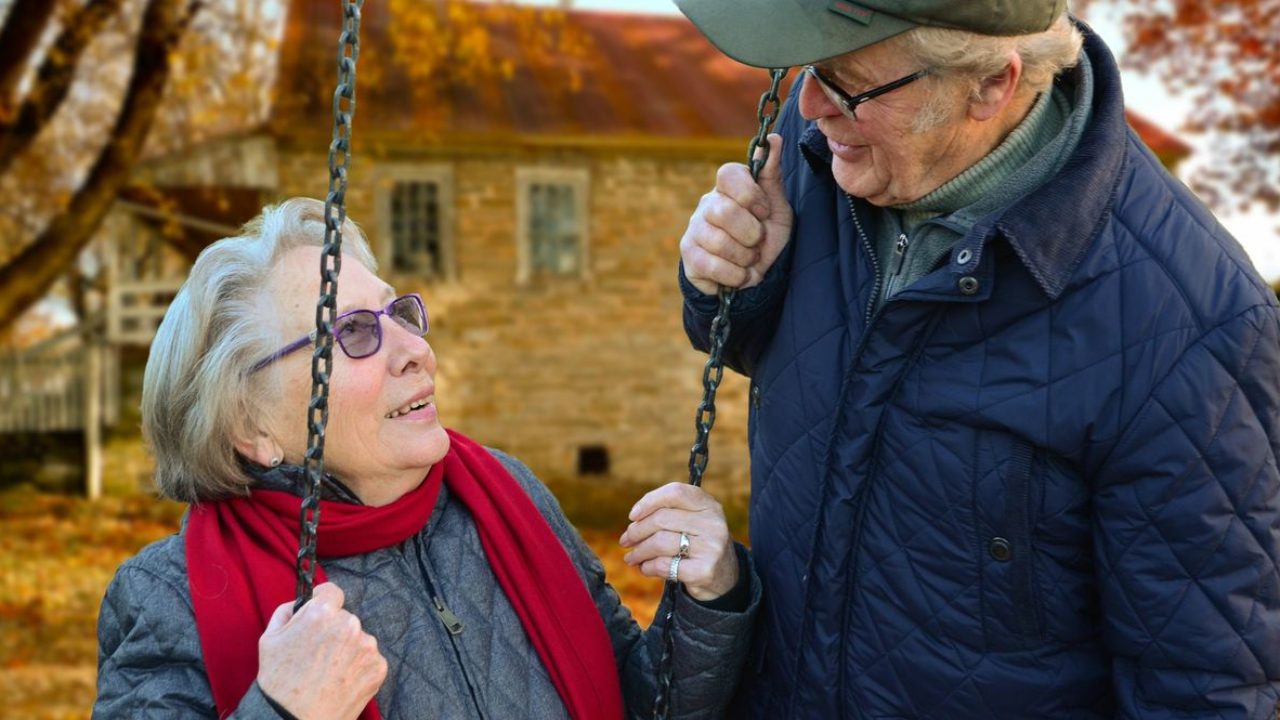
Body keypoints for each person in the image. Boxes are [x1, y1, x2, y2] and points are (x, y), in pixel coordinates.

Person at [674, 0, 1280, 717]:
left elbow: (1204, 688)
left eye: (847, 82)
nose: (810, 104)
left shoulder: (1192, 325)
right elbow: (773, 354)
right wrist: (735, 284)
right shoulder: (824, 147)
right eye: (810, 69)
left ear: (991, 85)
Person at [94, 197, 758, 719]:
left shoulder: (506, 497)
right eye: (352, 332)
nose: (413, 348)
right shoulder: (168, 596)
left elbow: (639, 705)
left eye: (398, 314)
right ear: (250, 425)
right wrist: (282, 712)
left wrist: (707, 598)